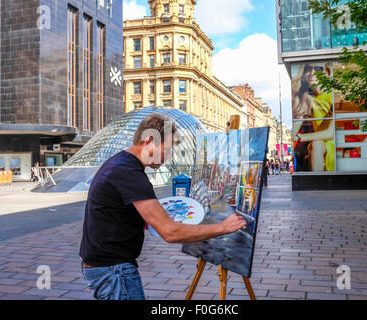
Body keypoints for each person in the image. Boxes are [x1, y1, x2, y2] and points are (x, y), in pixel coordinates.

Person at [79, 114, 246, 300]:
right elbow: (170, 232)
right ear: (149, 141)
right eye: (166, 149)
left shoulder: (119, 163)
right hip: (113, 270)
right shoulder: (129, 173)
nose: (168, 157)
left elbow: (115, 213)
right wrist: (222, 227)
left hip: (102, 266)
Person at [292, 63, 334, 172]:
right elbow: (296, 125)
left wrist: (301, 137)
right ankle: (318, 183)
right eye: (308, 69)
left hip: (335, 142)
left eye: (318, 69)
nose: (312, 73)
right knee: (316, 145)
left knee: (315, 145)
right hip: (320, 142)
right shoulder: (309, 98)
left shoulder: (333, 96)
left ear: (327, 72)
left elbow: (331, 133)